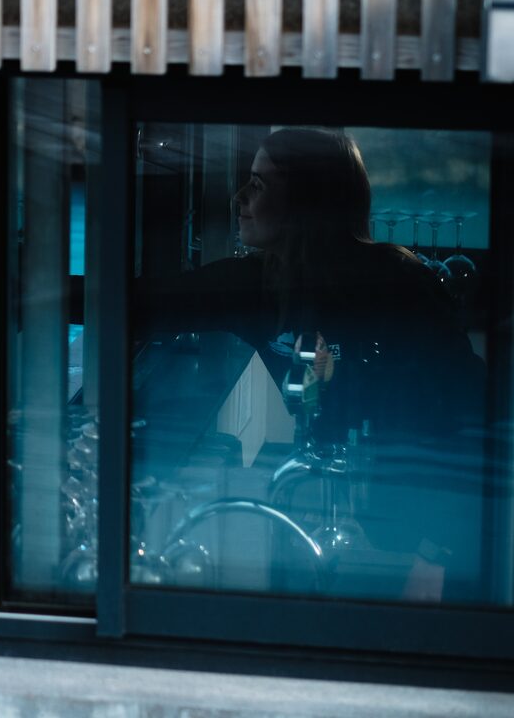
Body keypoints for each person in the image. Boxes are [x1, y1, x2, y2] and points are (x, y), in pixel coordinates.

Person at [137, 127, 486, 600]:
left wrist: (435, 556)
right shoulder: (259, 285)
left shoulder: (400, 286)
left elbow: (472, 418)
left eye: (258, 184)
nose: (240, 198)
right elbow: (140, 303)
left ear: (305, 202)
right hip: (345, 513)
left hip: (420, 527)